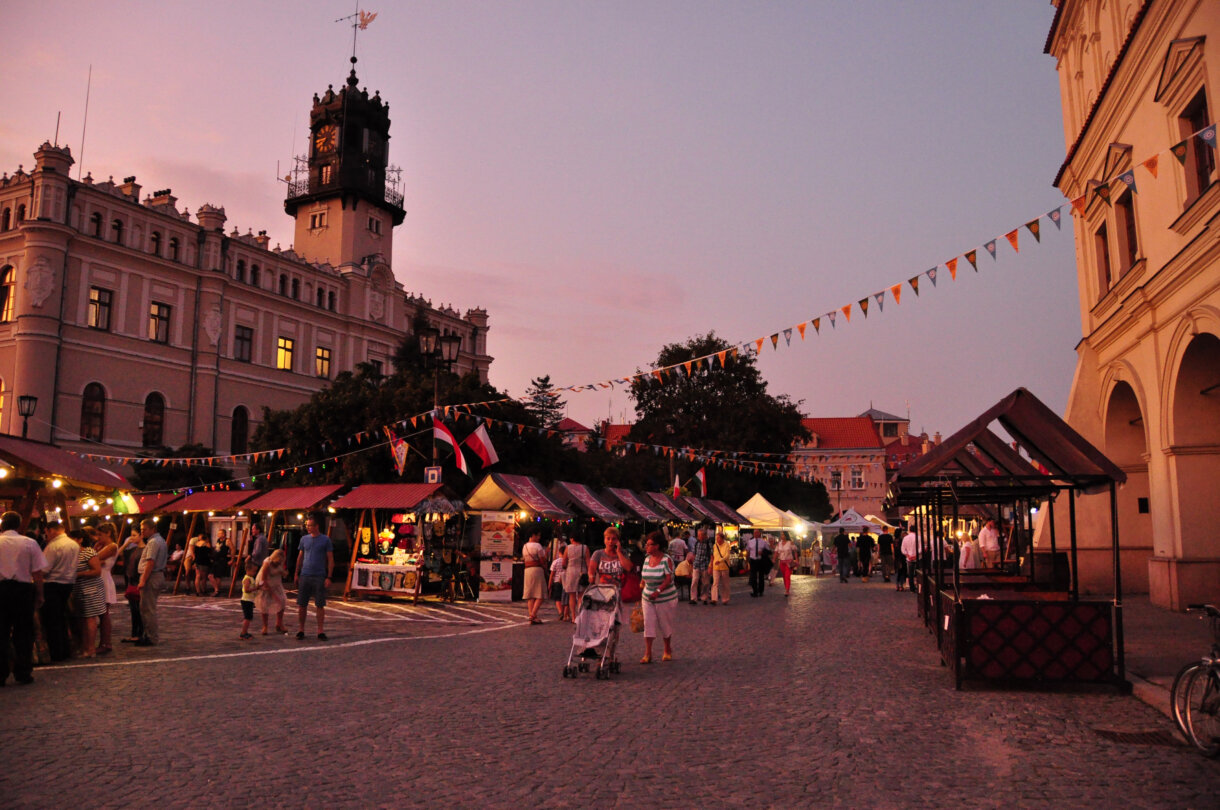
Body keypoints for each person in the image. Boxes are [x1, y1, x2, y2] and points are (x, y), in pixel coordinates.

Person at [0, 511, 48, 686]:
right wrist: (40, 594)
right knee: (24, 632)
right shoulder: (29, 543)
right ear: (19, 525)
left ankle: (1, 673)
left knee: (1, 633)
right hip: (23, 589)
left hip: (1, 589)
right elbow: (37, 572)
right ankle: (23, 671)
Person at [40, 519, 78, 661]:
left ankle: (57, 652)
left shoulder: (53, 546)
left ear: (52, 530)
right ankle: (65, 649)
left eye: (47, 533)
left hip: (52, 584)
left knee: (52, 620)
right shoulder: (73, 544)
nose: (46, 536)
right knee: (61, 617)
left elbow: (44, 569)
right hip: (68, 583)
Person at [639, 531, 677, 663]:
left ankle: (667, 648)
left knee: (664, 624)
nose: (647, 547)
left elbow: (668, 578)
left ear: (657, 546)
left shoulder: (666, 560)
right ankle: (648, 653)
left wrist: (659, 591)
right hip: (648, 597)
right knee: (648, 623)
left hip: (665, 598)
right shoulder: (647, 559)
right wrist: (642, 583)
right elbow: (644, 575)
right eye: (646, 544)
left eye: (650, 545)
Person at [293, 516, 333, 641]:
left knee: (320, 604)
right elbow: (300, 556)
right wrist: (296, 573)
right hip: (305, 574)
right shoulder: (304, 539)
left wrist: (329, 576)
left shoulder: (325, 540)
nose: (308, 527)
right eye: (307, 525)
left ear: (316, 526)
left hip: (319, 575)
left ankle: (320, 630)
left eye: (310, 525)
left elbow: (330, 559)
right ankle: (301, 629)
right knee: (302, 604)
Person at [70, 529, 106, 659]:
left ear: (80, 540)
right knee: (81, 619)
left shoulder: (88, 552)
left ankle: (91, 648)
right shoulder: (72, 554)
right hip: (78, 589)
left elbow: (97, 571)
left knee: (90, 618)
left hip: (91, 589)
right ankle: (84, 646)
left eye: (73, 539)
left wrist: (79, 574)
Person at [588, 526, 633, 627]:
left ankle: (613, 641)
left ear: (618, 540)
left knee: (616, 623)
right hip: (603, 593)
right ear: (604, 539)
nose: (610, 541)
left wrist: (618, 552)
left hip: (618, 593)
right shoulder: (598, 554)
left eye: (614, 539)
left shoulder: (623, 553)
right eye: (608, 538)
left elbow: (628, 567)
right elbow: (591, 568)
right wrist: (591, 576)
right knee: (604, 623)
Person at [136, 518, 167, 646]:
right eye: (141, 529)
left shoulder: (153, 542)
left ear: (152, 529)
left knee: (147, 608)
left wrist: (143, 579)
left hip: (152, 576)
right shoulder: (159, 540)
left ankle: (151, 636)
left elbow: (150, 562)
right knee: (148, 607)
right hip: (156, 575)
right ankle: (149, 634)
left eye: (144, 529)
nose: (142, 532)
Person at [92, 523, 120, 654]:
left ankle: (106, 642)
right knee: (101, 613)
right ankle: (103, 642)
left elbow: (93, 558)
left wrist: (97, 556)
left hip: (104, 579)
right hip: (99, 578)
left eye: (100, 535)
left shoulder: (112, 546)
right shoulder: (102, 546)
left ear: (108, 533)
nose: (98, 538)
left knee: (104, 613)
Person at [116, 528, 145, 642]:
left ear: (141, 535)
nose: (132, 538)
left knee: (140, 610)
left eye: (134, 535)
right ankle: (134, 634)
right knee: (133, 610)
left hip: (139, 582)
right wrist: (127, 543)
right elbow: (117, 553)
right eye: (131, 535)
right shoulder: (133, 549)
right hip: (131, 581)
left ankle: (140, 633)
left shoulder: (145, 549)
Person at [256, 549, 288, 634]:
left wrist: (283, 572)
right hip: (266, 582)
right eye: (278, 562)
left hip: (276, 582)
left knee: (282, 601)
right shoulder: (267, 563)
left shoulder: (280, 562)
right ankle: (265, 626)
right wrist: (273, 594)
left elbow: (283, 572)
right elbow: (263, 580)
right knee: (264, 604)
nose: (279, 563)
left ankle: (279, 623)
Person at [521, 530, 548, 625]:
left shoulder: (524, 546)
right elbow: (542, 560)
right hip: (537, 570)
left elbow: (525, 560)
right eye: (538, 535)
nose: (539, 538)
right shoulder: (538, 546)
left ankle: (533, 616)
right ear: (533, 535)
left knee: (530, 594)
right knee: (541, 594)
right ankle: (532, 615)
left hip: (527, 570)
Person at [562, 535, 587, 623]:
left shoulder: (568, 548)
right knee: (581, 596)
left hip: (571, 572)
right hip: (582, 572)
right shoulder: (585, 548)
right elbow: (588, 561)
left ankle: (573, 616)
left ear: (572, 538)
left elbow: (564, 562)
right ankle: (580, 616)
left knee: (571, 596)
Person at [689, 527, 713, 605]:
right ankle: (693, 598)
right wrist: (693, 562)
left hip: (705, 564)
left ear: (705, 535)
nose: (699, 536)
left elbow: (712, 555)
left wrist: (710, 566)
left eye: (700, 535)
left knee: (705, 582)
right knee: (694, 581)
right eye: (698, 535)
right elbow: (694, 553)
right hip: (697, 564)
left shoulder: (708, 543)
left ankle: (704, 597)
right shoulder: (697, 542)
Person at [745, 529, 769, 597]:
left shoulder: (763, 542)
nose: (756, 534)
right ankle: (755, 591)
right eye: (754, 533)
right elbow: (748, 552)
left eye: (757, 533)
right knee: (753, 576)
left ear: (760, 534)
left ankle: (761, 591)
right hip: (753, 560)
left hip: (760, 560)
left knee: (761, 576)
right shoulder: (750, 542)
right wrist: (746, 561)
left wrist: (763, 552)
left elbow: (768, 551)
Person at [711, 531, 733, 605]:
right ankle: (714, 599)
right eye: (716, 538)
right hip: (716, 567)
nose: (717, 540)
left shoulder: (726, 545)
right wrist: (710, 565)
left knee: (725, 584)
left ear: (722, 538)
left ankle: (725, 599)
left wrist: (720, 560)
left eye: (718, 538)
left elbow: (727, 555)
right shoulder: (715, 546)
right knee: (715, 583)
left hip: (724, 567)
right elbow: (713, 556)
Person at [774, 532, 798, 597]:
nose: (782, 536)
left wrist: (796, 560)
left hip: (789, 562)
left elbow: (795, 551)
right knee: (784, 576)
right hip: (782, 562)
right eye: (781, 535)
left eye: (783, 534)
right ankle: (786, 588)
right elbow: (776, 552)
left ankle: (787, 590)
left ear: (786, 535)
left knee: (787, 576)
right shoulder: (779, 544)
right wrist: (774, 559)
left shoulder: (790, 543)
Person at [239, 560, 258, 640]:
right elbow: (246, 589)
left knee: (249, 617)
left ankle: (245, 632)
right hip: (246, 600)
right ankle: (243, 633)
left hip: (249, 600)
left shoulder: (250, 578)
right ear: (248, 570)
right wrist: (255, 588)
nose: (254, 573)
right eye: (253, 571)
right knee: (247, 617)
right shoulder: (247, 579)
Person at [549, 548, 567, 621]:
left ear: (559, 552)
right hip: (565, 582)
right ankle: (565, 614)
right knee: (565, 598)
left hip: (556, 581)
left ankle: (560, 612)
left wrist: (549, 584)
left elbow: (552, 574)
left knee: (557, 599)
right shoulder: (567, 562)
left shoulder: (555, 562)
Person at [900, 527, 918, 592]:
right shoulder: (918, 537)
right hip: (917, 558)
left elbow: (902, 549)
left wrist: (908, 555)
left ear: (909, 530)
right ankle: (918, 587)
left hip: (908, 558)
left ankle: (912, 588)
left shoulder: (905, 538)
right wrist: (915, 556)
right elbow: (921, 548)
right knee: (918, 573)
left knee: (910, 574)